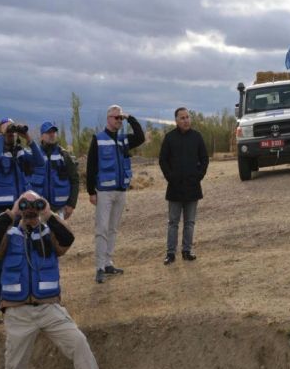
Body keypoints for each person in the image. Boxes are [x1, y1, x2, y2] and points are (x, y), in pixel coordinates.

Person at [0, 191, 120, 369]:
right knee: (14, 366)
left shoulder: (49, 233)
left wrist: (47, 213)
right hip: (18, 312)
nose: (30, 212)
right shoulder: (9, 235)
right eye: (26, 208)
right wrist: (12, 212)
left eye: (34, 207)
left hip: (49, 308)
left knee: (78, 343)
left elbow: (68, 239)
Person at [0, 119, 45, 325]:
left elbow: (40, 162)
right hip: (0, 211)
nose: (11, 131)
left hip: (21, 210)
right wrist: (3, 135)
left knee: (24, 253)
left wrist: (28, 138)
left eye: (12, 128)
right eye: (6, 127)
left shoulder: (20, 153)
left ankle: (22, 300)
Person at [86, 105, 145, 283]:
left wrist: (129, 117)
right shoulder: (98, 139)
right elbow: (91, 166)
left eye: (120, 118)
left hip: (120, 191)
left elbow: (140, 137)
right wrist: (91, 191)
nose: (119, 120)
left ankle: (108, 263)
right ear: (108, 119)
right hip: (104, 192)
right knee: (102, 229)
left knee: (113, 229)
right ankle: (99, 267)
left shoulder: (123, 140)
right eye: (116, 117)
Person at [159, 107, 209, 265]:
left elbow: (204, 158)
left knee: (190, 222)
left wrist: (199, 175)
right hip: (175, 187)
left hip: (192, 186)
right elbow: (162, 160)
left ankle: (187, 251)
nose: (186, 120)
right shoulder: (169, 138)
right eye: (182, 118)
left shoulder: (197, 137)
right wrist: (170, 177)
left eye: (187, 117)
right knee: (173, 222)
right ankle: (170, 253)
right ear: (176, 120)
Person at [30, 122, 79, 220]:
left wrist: (71, 204)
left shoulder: (64, 155)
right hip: (38, 207)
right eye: (48, 132)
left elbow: (74, 180)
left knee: (58, 230)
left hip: (59, 208)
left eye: (53, 132)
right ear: (42, 136)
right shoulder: (34, 155)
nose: (52, 135)